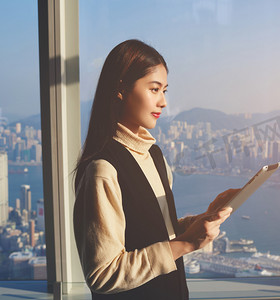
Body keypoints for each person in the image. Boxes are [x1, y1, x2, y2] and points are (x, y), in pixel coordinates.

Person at [73, 39, 239, 300]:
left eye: (165, 91)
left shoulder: (154, 155)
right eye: (154, 89)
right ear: (121, 89)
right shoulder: (103, 169)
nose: (163, 102)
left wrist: (200, 220)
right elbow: (102, 274)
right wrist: (185, 244)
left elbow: (159, 232)